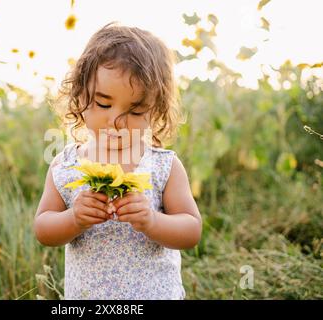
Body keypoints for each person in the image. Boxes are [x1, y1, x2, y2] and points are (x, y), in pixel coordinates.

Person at [34, 22, 202, 300]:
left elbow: (191, 230)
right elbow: (43, 229)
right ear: (80, 94)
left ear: (155, 109)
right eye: (103, 104)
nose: (117, 121)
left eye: (135, 111)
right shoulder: (64, 166)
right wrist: (74, 218)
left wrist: (151, 220)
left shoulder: (163, 166)